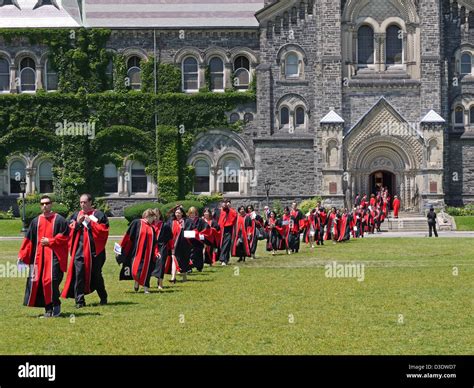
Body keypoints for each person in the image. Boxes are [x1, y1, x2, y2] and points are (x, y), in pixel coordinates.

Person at [18, 195, 69, 317]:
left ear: (51, 204)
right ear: (40, 206)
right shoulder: (36, 222)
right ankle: (48, 310)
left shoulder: (59, 220)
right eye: (42, 204)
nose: (45, 206)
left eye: (47, 203)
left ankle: (56, 305)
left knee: (51, 280)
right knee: (41, 282)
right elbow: (28, 241)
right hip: (39, 258)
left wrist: (50, 241)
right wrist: (22, 256)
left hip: (54, 256)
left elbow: (65, 237)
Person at [62, 194, 109, 308]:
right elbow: (68, 230)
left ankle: (103, 297)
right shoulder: (75, 215)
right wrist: (77, 223)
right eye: (81, 202)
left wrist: (91, 223)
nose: (82, 204)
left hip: (95, 252)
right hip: (79, 250)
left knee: (96, 275)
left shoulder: (98, 215)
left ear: (90, 202)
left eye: (85, 202)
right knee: (79, 275)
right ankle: (79, 301)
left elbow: (104, 231)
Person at [117, 209, 157, 294]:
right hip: (136, 252)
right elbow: (128, 235)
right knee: (136, 270)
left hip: (148, 254)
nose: (153, 219)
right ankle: (137, 281)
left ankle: (146, 288)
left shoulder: (152, 228)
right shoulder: (137, 223)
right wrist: (121, 246)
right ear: (148, 216)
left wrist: (156, 252)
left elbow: (155, 243)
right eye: (153, 217)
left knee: (147, 270)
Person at [151, 208, 172, 290]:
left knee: (161, 264)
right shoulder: (149, 225)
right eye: (154, 216)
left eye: (157, 215)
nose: (155, 217)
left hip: (162, 247)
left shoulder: (165, 225)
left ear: (160, 215)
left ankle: (160, 283)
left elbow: (170, 236)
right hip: (151, 246)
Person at [218, 199, 238, 266]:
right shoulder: (219, 211)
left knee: (226, 244)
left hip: (228, 229)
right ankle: (225, 259)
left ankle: (223, 259)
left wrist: (228, 208)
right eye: (223, 203)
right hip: (220, 230)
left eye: (226, 203)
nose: (225, 204)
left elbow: (234, 217)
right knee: (222, 245)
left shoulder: (232, 211)